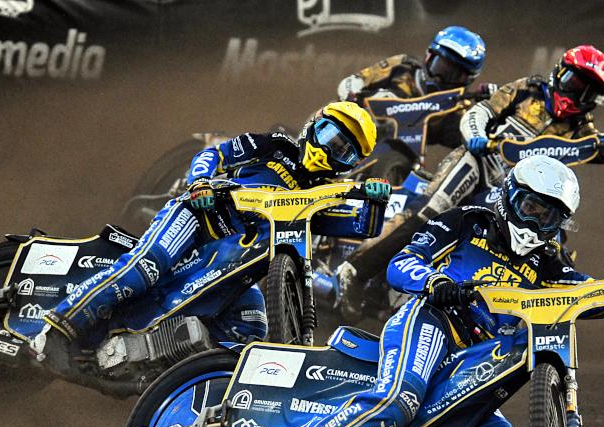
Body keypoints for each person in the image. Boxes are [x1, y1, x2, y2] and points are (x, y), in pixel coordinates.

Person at [262, 155, 604, 427]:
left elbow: (584, 294)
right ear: (509, 196)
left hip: (474, 357)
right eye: (530, 207)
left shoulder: (549, 262)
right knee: (399, 399)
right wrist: (435, 281)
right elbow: (401, 263)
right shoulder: (467, 221)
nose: (535, 222)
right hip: (432, 321)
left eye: (548, 217)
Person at [31, 102, 388, 376]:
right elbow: (214, 153)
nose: (329, 151)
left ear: (351, 164)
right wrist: (200, 182)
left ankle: (168, 381)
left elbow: (361, 228)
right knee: (145, 269)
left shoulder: (322, 198)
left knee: (251, 327)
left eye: (343, 151)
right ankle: (57, 329)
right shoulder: (276, 146)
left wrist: (376, 202)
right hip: (200, 217)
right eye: (330, 137)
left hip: (237, 261)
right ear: (314, 127)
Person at [335, 45, 604, 319]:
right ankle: (355, 270)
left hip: (514, 192)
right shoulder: (527, 90)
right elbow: (483, 110)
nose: (576, 94)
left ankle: (513, 316)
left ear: (595, 100)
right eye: (573, 82)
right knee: (431, 210)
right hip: (479, 161)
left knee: (546, 242)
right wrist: (476, 136)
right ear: (559, 73)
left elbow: (595, 149)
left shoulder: (582, 128)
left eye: (586, 91)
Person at [337, 25, 491, 151]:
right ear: (429, 57)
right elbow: (353, 80)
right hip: (358, 127)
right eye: (440, 68)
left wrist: (489, 108)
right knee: (385, 97)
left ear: (468, 79)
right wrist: (352, 97)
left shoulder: (455, 109)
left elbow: (472, 136)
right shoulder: (403, 66)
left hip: (400, 156)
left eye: (454, 76)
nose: (440, 79)